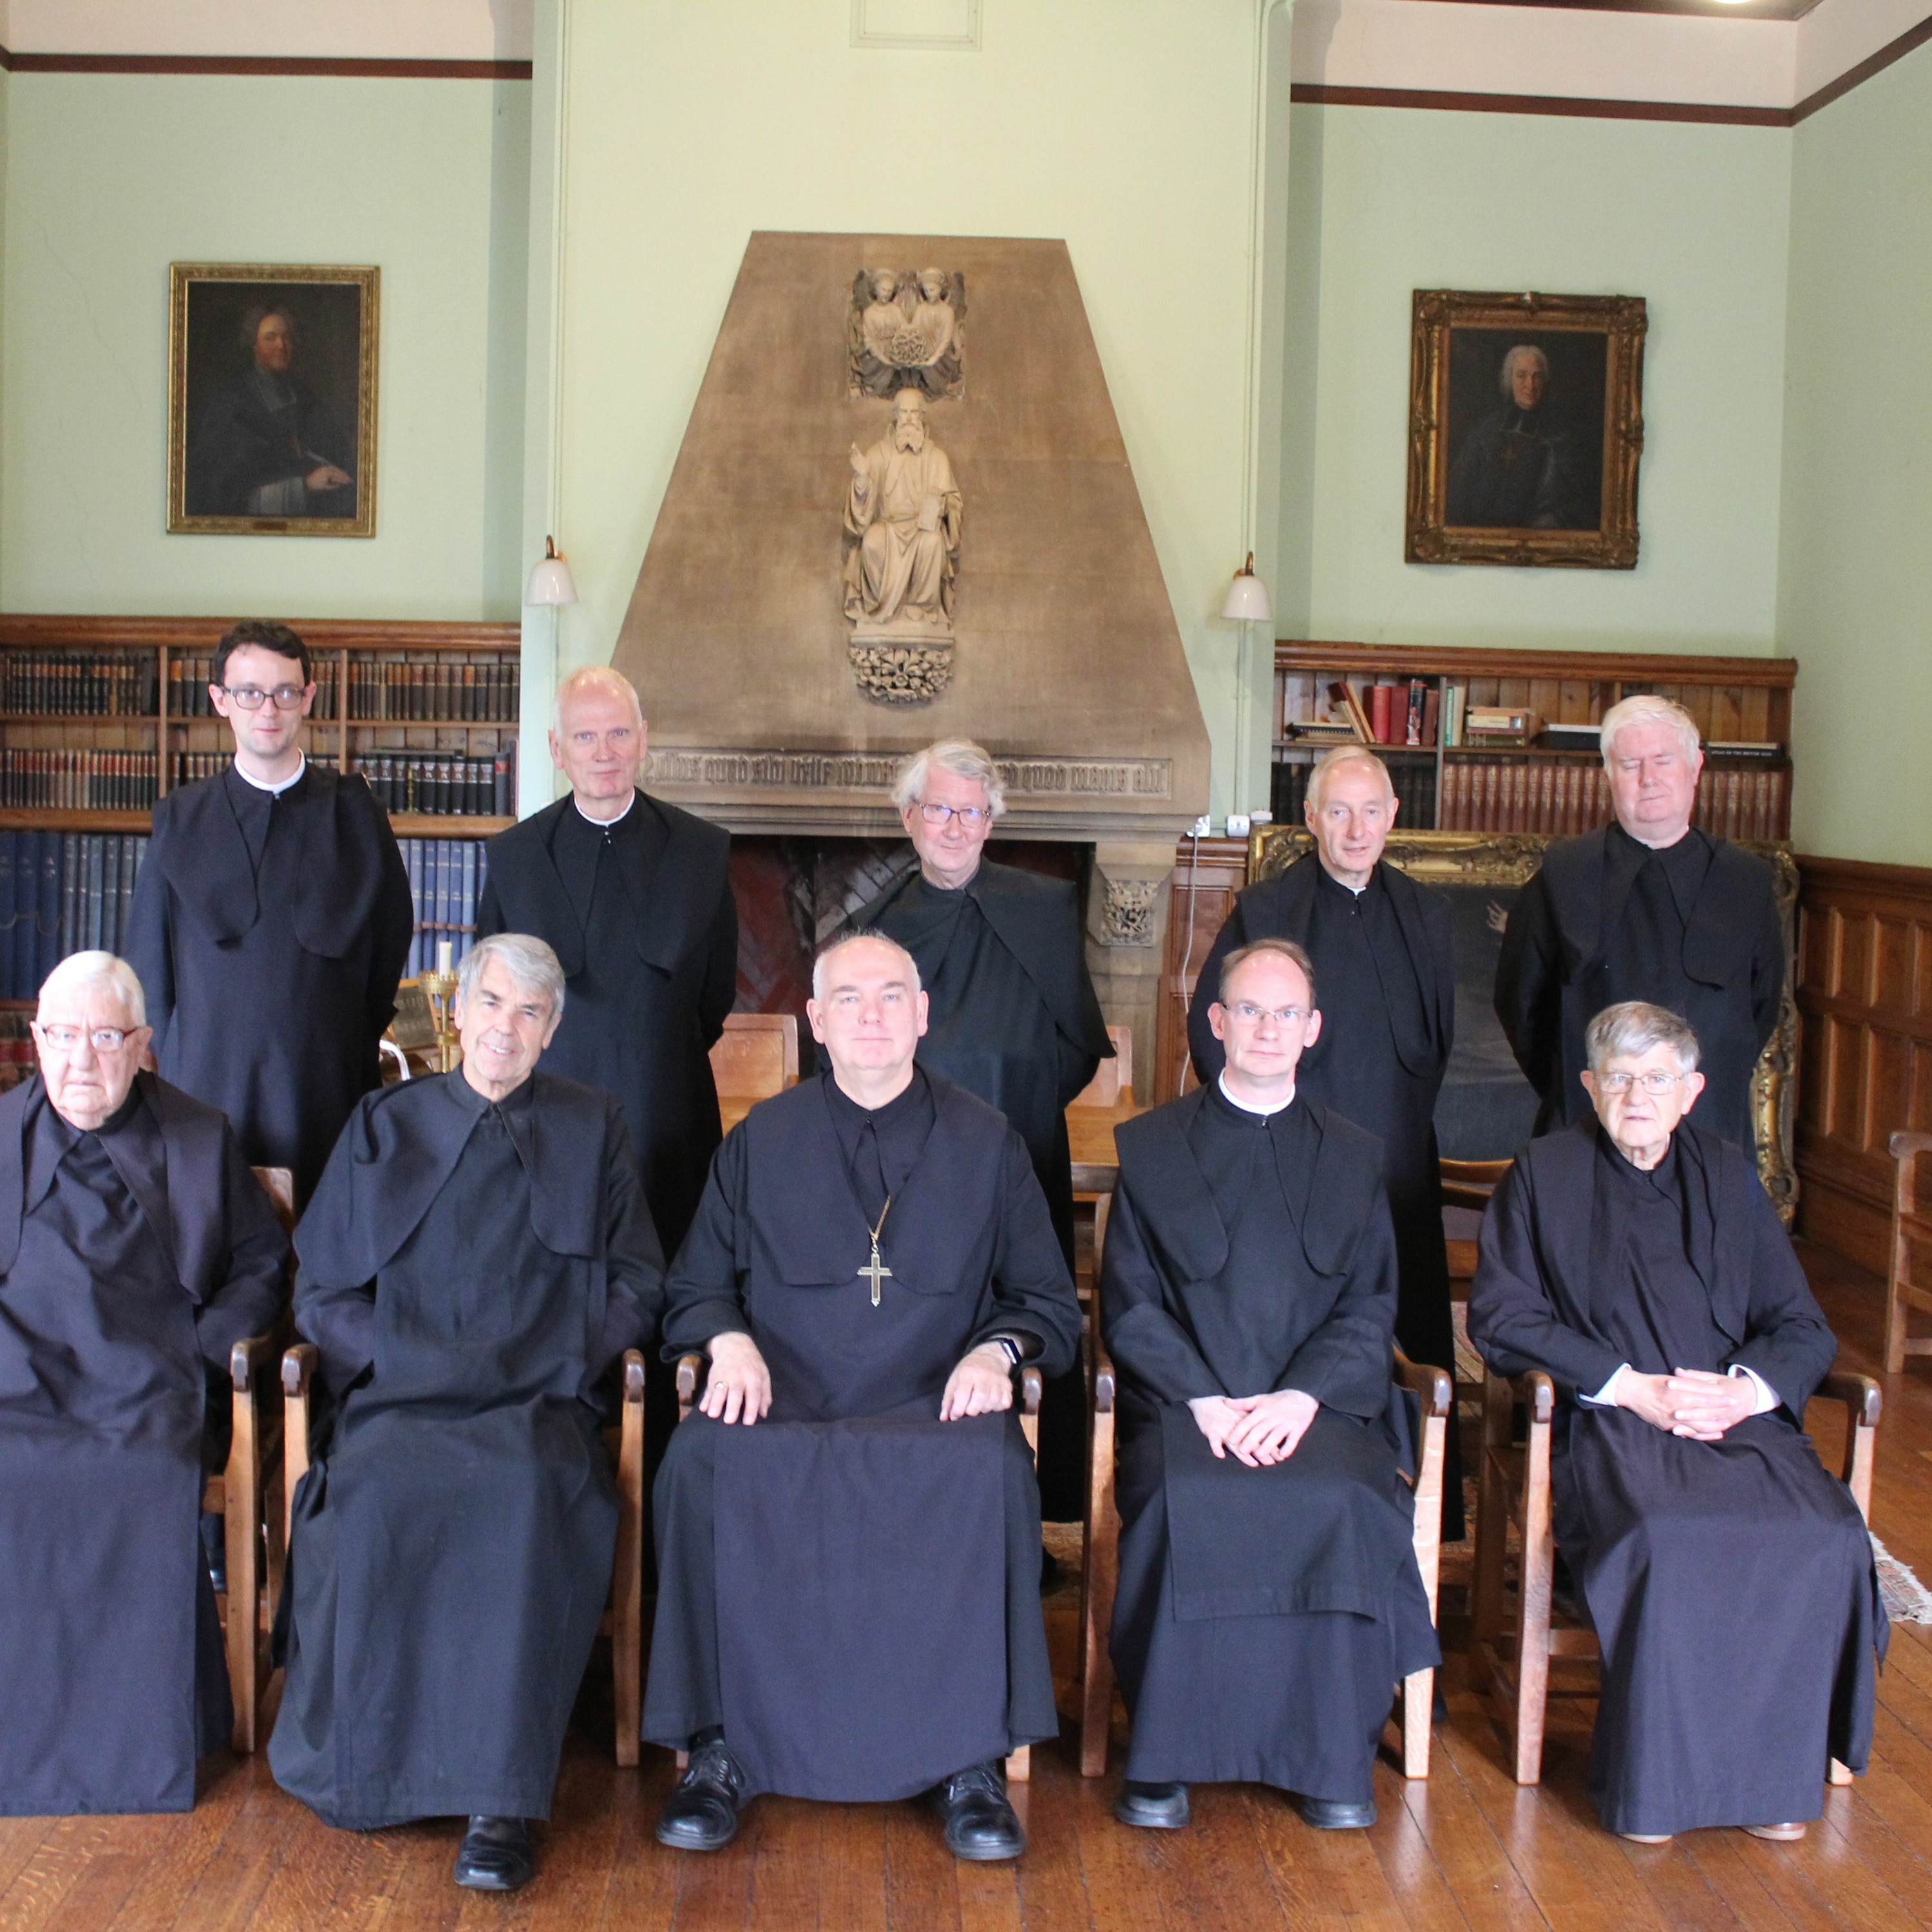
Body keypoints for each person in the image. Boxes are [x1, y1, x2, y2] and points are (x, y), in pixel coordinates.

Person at [644, 933, 1081, 1862]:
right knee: (696, 1462)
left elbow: (1048, 1300)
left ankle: (967, 1759)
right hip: (784, 1405)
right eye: (849, 998)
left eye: (891, 996)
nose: (872, 1015)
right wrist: (728, 1342)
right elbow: (693, 1287)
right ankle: (719, 1749)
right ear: (816, 1020)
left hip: (935, 1409)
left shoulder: (989, 1143)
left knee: (997, 1471)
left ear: (923, 1014)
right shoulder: (760, 1141)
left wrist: (998, 1351)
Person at [269, 934, 665, 1893]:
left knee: (522, 1497)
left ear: (552, 1030)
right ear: (458, 1012)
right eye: (491, 1003)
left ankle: (500, 1802)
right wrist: (398, 1356)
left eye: (530, 1013)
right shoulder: (383, 1123)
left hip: (537, 1407)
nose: (505, 1028)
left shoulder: (595, 1126)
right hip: (401, 1399)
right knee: (373, 1496)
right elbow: (320, 1293)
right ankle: (373, 1769)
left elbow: (639, 1282)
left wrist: (562, 1358)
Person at [1468, 1000, 1884, 1844]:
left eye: (1657, 1080)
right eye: (1619, 1077)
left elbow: (1800, 1324)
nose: (1638, 1097)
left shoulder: (1728, 1176)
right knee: (1668, 1535)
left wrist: (1745, 1393)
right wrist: (1628, 1387)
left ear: (1691, 1092)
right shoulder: (1543, 1174)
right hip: (1613, 1424)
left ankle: (1771, 1780)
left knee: (1826, 1533)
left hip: (1732, 1421)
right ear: (1589, 1086)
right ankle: (1658, 1790)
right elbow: (1502, 1318)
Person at [1104, 940, 1439, 1832]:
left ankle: (1329, 1761)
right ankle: (1164, 1760)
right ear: (1216, 1023)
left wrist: (1300, 1399)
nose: (1266, 1029)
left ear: (1312, 1029)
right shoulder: (1153, 1150)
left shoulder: (1355, 1157)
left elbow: (1371, 1307)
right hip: (1187, 1410)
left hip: (1320, 1411)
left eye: (1285, 1013)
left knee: (1343, 1500)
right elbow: (1131, 1307)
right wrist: (1205, 1402)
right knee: (1183, 1499)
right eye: (1248, 1010)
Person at [0, 953, 287, 1816]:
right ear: (35, 1040)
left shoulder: (198, 1136)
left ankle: (137, 1746)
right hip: (19, 1375)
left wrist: (204, 1348)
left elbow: (262, 1264)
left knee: (139, 1473)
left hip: (152, 1380)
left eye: (103, 1038)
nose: (78, 1059)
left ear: (142, 1045)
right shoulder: (3, 1132)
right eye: (60, 1036)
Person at [1188, 747, 1461, 1535]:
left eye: (1371, 811)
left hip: (1399, 1165)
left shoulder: (1425, 912)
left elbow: (1437, 1041)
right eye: (1338, 811)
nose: (1356, 829)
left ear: (1393, 817)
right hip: (1291, 1169)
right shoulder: (1266, 908)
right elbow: (1214, 1031)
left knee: (1408, 1327)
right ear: (1310, 819)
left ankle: (1420, 1506)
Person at [475, 665, 735, 1471]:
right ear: (558, 749)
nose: (604, 751)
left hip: (669, 1114)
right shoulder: (516, 857)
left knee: (668, 1292)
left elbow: (715, 996)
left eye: (619, 733)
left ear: (644, 740)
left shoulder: (702, 851)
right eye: (585, 736)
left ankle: (666, 1478)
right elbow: (494, 993)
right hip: (545, 1125)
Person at [853, 739, 1110, 1519]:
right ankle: (917, 1506)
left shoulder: (1044, 907)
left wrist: (1016, 1103)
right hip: (910, 1167)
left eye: (972, 811)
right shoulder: (875, 926)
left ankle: (1036, 1504)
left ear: (991, 822)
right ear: (910, 817)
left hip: (1023, 1147)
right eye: (940, 808)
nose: (956, 826)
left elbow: (1078, 1041)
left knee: (1026, 1315)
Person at [126, 620, 415, 1204]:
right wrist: (180, 1054)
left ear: (308, 697)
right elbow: (148, 959)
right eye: (249, 692)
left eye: (285, 692)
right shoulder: (180, 820)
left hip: (327, 1082)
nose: (268, 709)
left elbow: (391, 939)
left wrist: (343, 1038)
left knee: (323, 1244)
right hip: (205, 1083)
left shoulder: (357, 816)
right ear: (220, 700)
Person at [1495, 693, 1784, 1158]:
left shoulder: (1745, 881)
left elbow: (1761, 1008)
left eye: (1663, 761)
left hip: (1710, 1128)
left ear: (1695, 767)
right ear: (1609, 774)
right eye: (1630, 765)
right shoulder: (1562, 875)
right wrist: (1577, 1085)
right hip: (1585, 1124)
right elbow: (1522, 1005)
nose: (1648, 779)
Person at [185, 304, 357, 519]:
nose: (281, 345)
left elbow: (324, 447)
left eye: (286, 338)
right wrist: (304, 486)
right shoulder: (231, 401)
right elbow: (227, 490)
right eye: (270, 338)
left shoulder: (301, 394)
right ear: (254, 345)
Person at [844, 390, 963, 630]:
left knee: (933, 543)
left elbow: (953, 503)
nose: (909, 419)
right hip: (888, 527)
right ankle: (878, 608)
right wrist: (863, 478)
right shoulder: (878, 454)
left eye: (914, 413)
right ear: (895, 415)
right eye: (904, 412)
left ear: (922, 416)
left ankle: (921, 609)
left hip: (922, 530)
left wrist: (944, 507)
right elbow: (862, 510)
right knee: (871, 541)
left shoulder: (937, 458)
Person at [1444, 343, 1593, 531]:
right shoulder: (1486, 429)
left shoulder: (1559, 435)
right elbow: (1458, 490)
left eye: (1537, 376)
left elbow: (1569, 504)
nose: (1530, 385)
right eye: (1522, 375)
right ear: (1510, 379)